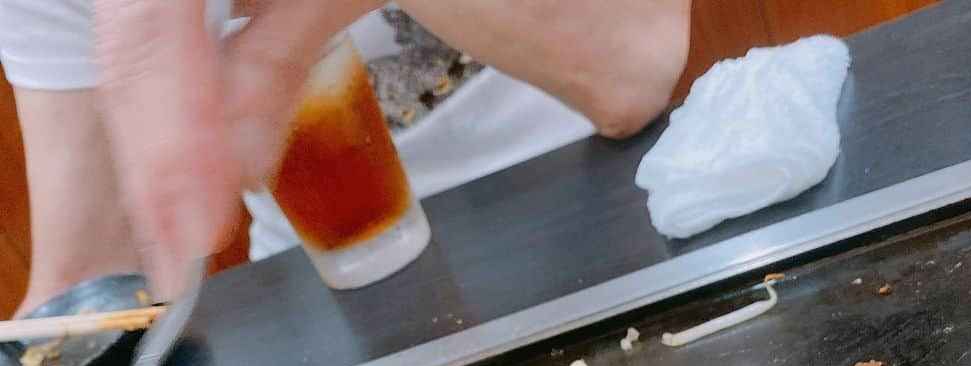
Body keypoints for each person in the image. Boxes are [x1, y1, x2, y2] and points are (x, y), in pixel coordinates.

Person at [0, 1, 691, 309]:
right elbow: (84, 282)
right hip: (330, 303)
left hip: (609, 216)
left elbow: (631, 67)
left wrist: (296, 35)